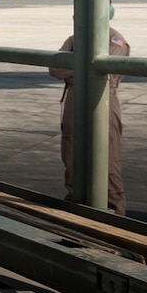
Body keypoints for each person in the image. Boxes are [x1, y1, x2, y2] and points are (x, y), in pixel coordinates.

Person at [50, 20, 132, 213]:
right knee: (72, 163)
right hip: (74, 99)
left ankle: (116, 223)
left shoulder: (114, 39)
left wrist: (76, 66)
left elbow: (106, 73)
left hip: (102, 99)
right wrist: (86, 68)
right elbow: (54, 68)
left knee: (108, 165)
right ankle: (76, 220)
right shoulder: (73, 40)